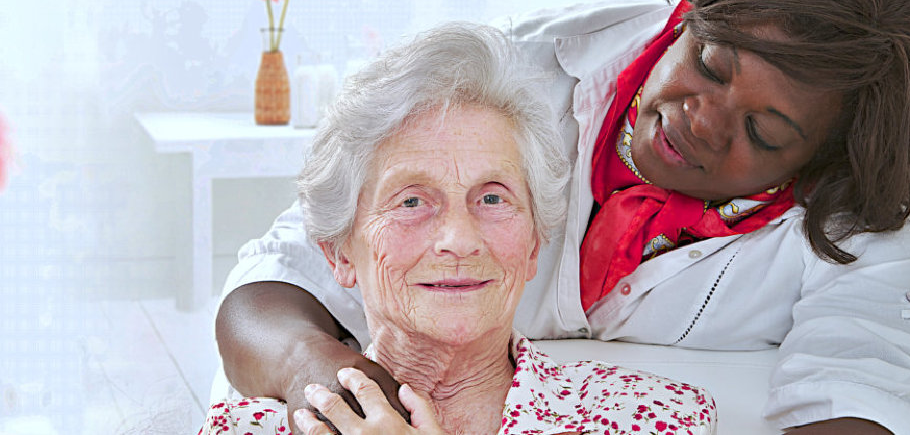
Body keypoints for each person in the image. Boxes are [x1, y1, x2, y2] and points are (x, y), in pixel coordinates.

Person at [216, 0, 910, 433]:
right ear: (689, 12)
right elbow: (280, 275)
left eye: (763, 133)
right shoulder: (511, 74)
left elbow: (867, 397)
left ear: (823, 160)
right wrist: (317, 374)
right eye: (709, 65)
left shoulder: (864, 223)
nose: (704, 121)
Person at [202, 23, 716, 435]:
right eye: (411, 201)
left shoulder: (652, 417)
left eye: (492, 198)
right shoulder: (249, 427)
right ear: (339, 254)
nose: (459, 239)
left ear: (535, 242)